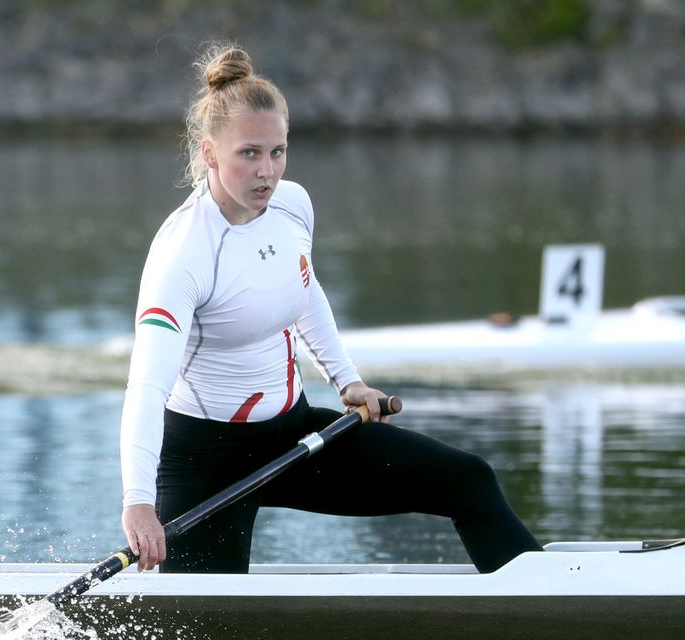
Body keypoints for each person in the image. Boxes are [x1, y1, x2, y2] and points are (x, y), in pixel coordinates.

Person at [119, 43, 542, 574]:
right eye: (248, 153)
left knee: (468, 478)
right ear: (209, 154)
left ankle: (553, 607)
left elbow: (305, 290)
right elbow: (146, 386)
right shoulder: (183, 254)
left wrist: (347, 381)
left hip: (294, 439)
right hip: (205, 463)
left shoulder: (292, 207)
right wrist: (137, 501)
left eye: (277, 152)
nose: (266, 172)